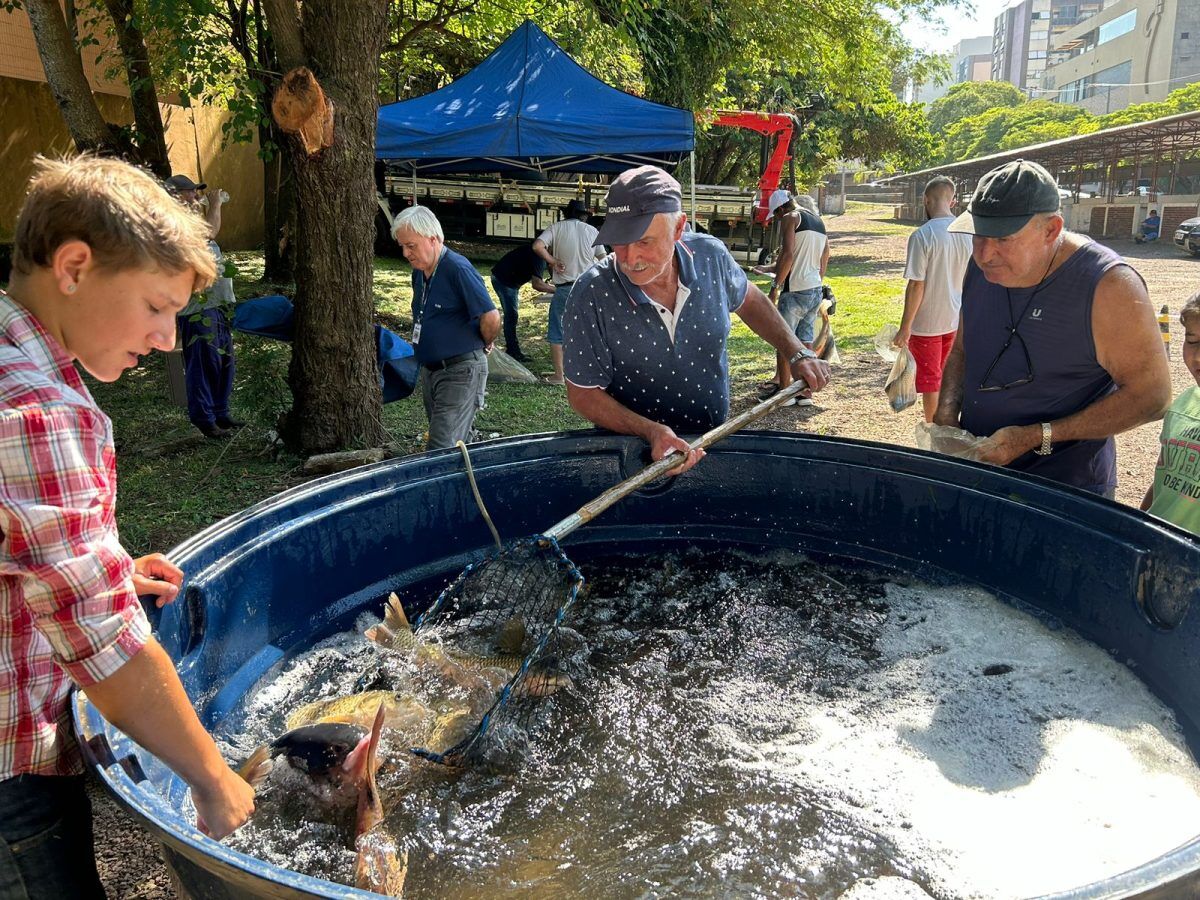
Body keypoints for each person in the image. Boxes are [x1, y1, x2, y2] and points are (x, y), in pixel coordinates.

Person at [0, 156, 255, 896]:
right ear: (74, 267)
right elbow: (103, 640)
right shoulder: (36, 410)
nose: (170, 339)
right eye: (155, 305)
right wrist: (212, 778)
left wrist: (104, 565)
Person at [562, 165, 832, 475]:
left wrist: (795, 351)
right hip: (628, 457)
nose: (629, 258)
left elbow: (750, 299)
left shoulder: (710, 256)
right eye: (619, 242)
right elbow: (582, 393)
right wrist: (650, 431)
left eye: (644, 242)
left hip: (710, 442)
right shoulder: (591, 293)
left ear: (678, 229)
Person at [935, 159, 1170, 497]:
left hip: (1067, 490)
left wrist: (1037, 435)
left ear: (1051, 230)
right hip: (982, 472)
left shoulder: (1109, 285)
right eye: (978, 234)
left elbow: (1152, 398)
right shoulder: (983, 266)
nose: (984, 253)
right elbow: (962, 347)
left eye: (1002, 238)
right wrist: (945, 413)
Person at [392, 206, 500, 450]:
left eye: (411, 246)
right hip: (432, 370)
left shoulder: (457, 268)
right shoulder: (420, 271)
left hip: (459, 370)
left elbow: (491, 317)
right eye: (403, 246)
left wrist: (483, 341)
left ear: (433, 239)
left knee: (441, 447)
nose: (406, 253)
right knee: (456, 442)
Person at [165, 174, 242, 439]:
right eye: (191, 192)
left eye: (197, 192)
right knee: (203, 361)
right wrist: (215, 204)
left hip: (216, 302)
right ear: (175, 196)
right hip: (197, 307)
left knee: (223, 360)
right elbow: (210, 232)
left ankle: (220, 412)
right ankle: (204, 419)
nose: (197, 196)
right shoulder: (172, 223)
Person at [893, 176, 973, 422]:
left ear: (925, 200)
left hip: (927, 323)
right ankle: (950, 422)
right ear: (953, 201)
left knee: (931, 380)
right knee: (952, 373)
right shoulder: (969, 234)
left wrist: (905, 327)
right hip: (957, 318)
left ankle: (935, 429)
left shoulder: (923, 235)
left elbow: (917, 284)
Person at [755, 189, 829, 406]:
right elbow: (824, 254)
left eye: (776, 215)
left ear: (781, 209)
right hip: (814, 287)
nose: (777, 220)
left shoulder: (790, 218)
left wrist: (775, 286)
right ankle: (805, 392)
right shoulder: (817, 221)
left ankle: (785, 392)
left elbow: (788, 254)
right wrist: (769, 267)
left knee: (784, 340)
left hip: (794, 289)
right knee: (805, 341)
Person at [1142, 292, 1200, 532]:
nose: (1197, 357)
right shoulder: (1185, 403)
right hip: (1158, 548)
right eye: (1192, 340)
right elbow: (1164, 482)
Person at [533, 199, 606, 384]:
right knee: (588, 330)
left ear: (565, 213)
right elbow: (603, 258)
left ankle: (559, 376)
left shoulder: (556, 228)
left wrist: (552, 260)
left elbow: (537, 246)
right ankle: (588, 370)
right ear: (583, 215)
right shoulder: (592, 231)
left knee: (557, 331)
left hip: (565, 288)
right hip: (587, 287)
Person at [489, 242, 555, 361]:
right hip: (504, 280)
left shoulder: (541, 249)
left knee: (511, 315)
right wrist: (557, 290)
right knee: (511, 315)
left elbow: (551, 266)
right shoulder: (539, 256)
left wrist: (555, 280)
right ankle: (513, 351)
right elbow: (537, 284)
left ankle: (512, 350)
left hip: (508, 278)